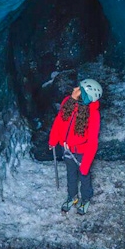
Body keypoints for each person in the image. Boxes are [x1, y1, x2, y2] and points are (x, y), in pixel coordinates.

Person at [48, 78, 102, 215]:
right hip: (66, 149)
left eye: (79, 89)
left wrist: (86, 163)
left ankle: (85, 198)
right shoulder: (68, 102)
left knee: (84, 176)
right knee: (70, 174)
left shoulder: (93, 114)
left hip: (82, 153)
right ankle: (72, 196)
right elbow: (59, 120)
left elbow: (93, 141)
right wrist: (53, 140)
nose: (75, 89)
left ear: (85, 96)